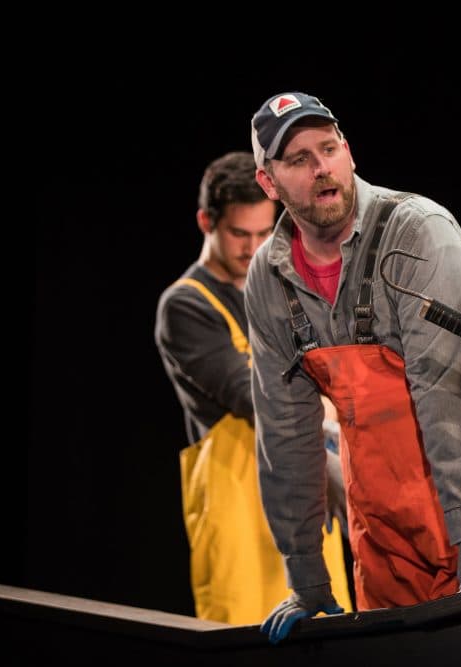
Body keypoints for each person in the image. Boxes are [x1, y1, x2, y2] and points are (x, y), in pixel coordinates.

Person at [245, 92, 461, 643]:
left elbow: (446, 392)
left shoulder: (417, 232)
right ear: (268, 184)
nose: (321, 168)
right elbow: (285, 430)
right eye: (298, 159)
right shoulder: (269, 278)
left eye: (328, 149)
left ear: (349, 153)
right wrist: (307, 575)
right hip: (388, 499)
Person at [155, 151, 352, 624]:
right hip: (238, 511)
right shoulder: (186, 306)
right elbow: (253, 394)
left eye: (264, 234)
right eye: (239, 235)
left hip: (304, 489)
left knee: (325, 636)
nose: (253, 248)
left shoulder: (276, 289)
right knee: (245, 638)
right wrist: (336, 408)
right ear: (207, 222)